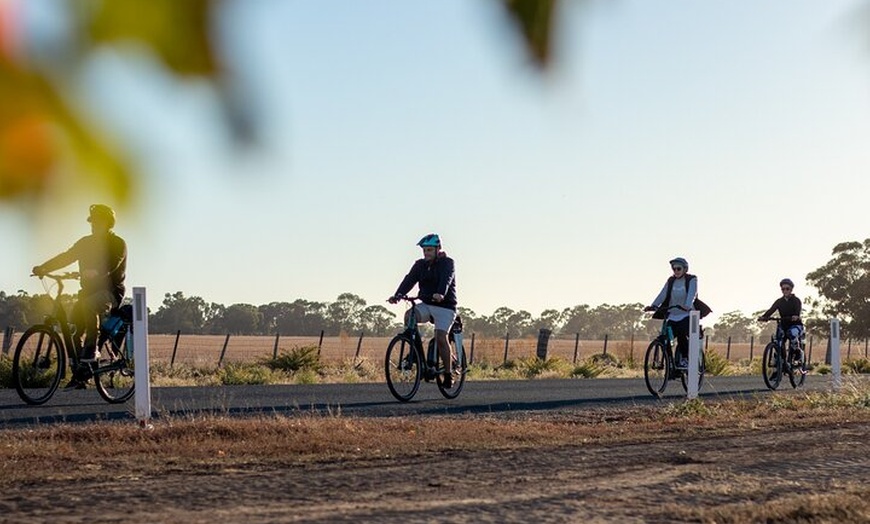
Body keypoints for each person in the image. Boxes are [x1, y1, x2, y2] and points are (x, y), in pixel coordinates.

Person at [32, 204, 127, 370]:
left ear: (107, 223)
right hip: (87, 292)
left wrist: (96, 272)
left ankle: (91, 349)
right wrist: (44, 267)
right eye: (92, 222)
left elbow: (112, 264)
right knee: (74, 327)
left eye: (97, 222)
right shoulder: (85, 243)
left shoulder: (117, 243)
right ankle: (81, 372)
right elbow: (66, 257)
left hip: (110, 293)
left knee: (89, 305)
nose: (93, 225)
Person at [389, 233, 458, 387]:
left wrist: (441, 293)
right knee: (409, 316)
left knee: (441, 337)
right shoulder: (420, 265)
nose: (426, 253)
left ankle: (448, 374)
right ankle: (416, 356)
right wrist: (398, 295)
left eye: (429, 250)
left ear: (437, 249)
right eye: (425, 250)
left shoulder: (447, 263)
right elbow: (409, 280)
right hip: (427, 304)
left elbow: (447, 279)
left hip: (445, 306)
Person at [644, 257, 697, 369]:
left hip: (686, 314)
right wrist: (653, 306)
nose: (676, 271)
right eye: (674, 269)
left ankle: (685, 359)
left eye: (678, 268)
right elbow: (662, 294)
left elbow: (692, 294)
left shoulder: (691, 280)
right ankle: (669, 364)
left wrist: (687, 306)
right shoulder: (671, 281)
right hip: (672, 315)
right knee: (665, 339)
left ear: (685, 269)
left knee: (682, 333)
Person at [758, 278, 804, 363]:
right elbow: (771, 310)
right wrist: (764, 317)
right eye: (783, 289)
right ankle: (778, 365)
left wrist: (796, 316)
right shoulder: (779, 301)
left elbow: (797, 311)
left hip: (795, 325)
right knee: (778, 340)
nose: (785, 291)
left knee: (792, 333)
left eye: (787, 289)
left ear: (791, 289)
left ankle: (797, 352)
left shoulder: (796, 301)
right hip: (784, 325)